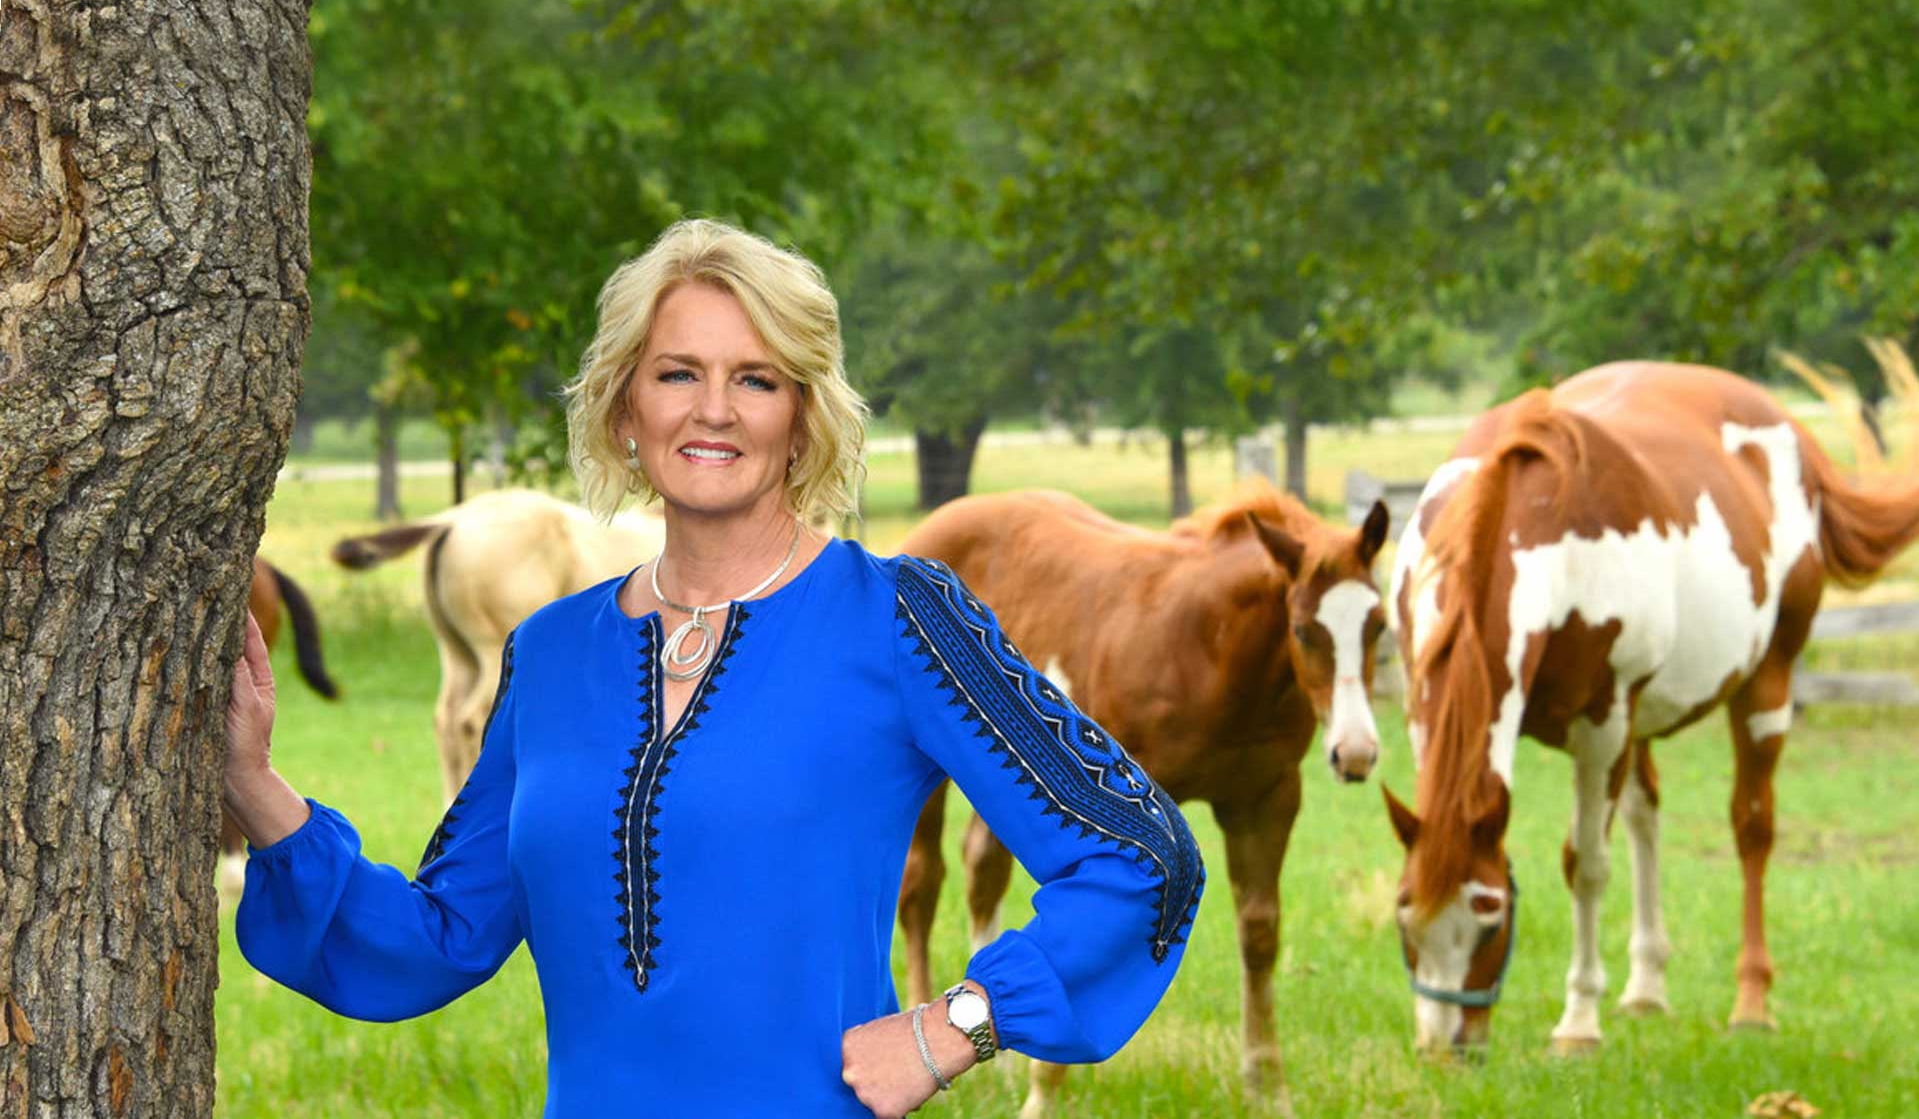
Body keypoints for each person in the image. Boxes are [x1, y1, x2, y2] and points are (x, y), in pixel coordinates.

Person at [226, 218, 1205, 1117]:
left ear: (802, 418)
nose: (714, 410)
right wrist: (254, 787)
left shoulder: (898, 619)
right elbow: (438, 938)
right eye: (676, 373)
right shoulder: (550, 651)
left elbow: (1141, 854)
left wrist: (950, 1025)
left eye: (756, 379)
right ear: (623, 407)